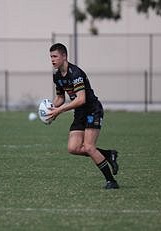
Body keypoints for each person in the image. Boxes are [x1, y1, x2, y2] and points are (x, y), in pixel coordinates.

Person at [47, 43, 119, 189]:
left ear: (64, 56)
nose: (52, 60)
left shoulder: (75, 73)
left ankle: (111, 181)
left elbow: (81, 99)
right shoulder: (57, 76)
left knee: (89, 147)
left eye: (55, 56)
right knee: (73, 148)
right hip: (80, 112)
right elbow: (60, 97)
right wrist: (51, 109)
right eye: (51, 57)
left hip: (92, 110)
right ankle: (108, 154)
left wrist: (59, 111)